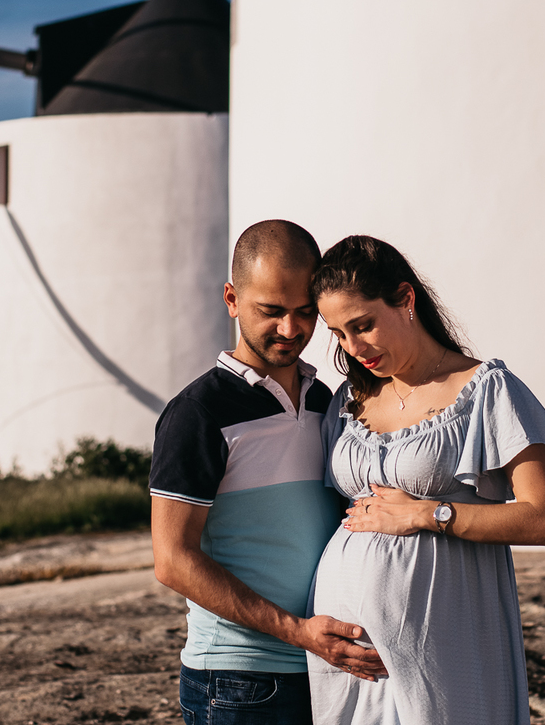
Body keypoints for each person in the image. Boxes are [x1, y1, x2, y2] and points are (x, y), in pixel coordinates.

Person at [306, 234, 545, 725]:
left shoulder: (486, 389)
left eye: (363, 325)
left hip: (444, 641)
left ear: (405, 300)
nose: (352, 347)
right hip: (350, 659)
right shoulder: (347, 400)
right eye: (338, 333)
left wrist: (429, 513)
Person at [150, 220, 386, 725]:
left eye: (305, 313)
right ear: (232, 300)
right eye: (271, 311)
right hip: (237, 680)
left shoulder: (328, 401)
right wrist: (299, 632)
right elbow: (172, 560)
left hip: (326, 667)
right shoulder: (197, 414)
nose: (290, 329)